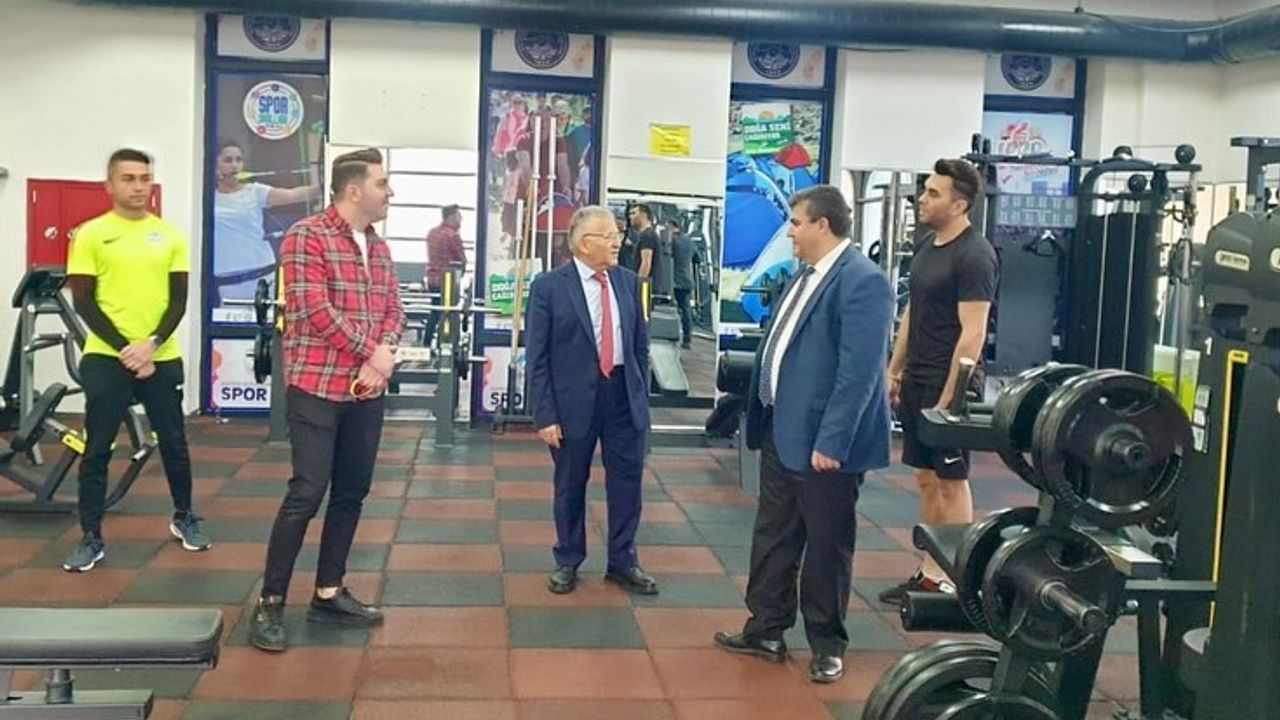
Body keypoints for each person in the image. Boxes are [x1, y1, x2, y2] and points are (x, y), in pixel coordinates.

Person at [713, 185, 894, 684]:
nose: (789, 232)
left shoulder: (864, 282)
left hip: (824, 443)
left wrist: (832, 441)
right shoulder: (804, 275)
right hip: (781, 429)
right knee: (774, 536)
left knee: (827, 546)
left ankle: (827, 645)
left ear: (822, 225)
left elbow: (860, 373)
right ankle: (766, 629)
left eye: (796, 223)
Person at [248, 148, 406, 653]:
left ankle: (328, 592)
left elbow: (394, 309)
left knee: (351, 493)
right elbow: (315, 309)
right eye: (382, 183)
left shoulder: (378, 246)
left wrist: (382, 355)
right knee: (307, 492)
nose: (389, 192)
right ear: (354, 190)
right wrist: (371, 352)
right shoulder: (307, 236)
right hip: (316, 386)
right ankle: (270, 602)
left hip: (366, 389)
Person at [63, 148, 209, 572]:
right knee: (97, 448)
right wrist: (127, 348)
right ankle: (91, 537)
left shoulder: (170, 236)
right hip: (107, 357)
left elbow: (179, 300)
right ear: (110, 185)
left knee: (175, 442)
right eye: (128, 179)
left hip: (160, 356)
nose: (138, 186)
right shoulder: (91, 235)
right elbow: (83, 301)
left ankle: (185, 516)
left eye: (144, 178)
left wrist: (152, 344)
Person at [880, 158, 998, 605]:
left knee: (952, 480)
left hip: (951, 383)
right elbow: (913, 312)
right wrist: (895, 369)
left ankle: (959, 580)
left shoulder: (975, 255)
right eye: (924, 190)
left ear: (959, 205)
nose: (922, 199)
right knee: (926, 478)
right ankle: (931, 572)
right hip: (919, 377)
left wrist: (951, 398)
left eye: (933, 193)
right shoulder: (927, 247)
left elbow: (973, 332)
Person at [526, 205, 658, 597]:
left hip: (622, 395)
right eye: (609, 236)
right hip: (572, 402)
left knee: (627, 482)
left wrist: (639, 393)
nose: (618, 242)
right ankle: (568, 558)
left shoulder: (628, 282)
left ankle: (623, 561)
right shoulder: (549, 287)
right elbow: (537, 357)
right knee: (570, 483)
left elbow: (639, 345)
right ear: (584, 244)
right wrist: (545, 415)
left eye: (618, 235)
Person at [212, 137, 321, 306]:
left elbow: (293, 195)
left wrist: (324, 186)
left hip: (262, 276)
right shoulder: (208, 197)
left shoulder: (255, 191)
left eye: (239, 160)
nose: (234, 166)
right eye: (228, 160)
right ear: (215, 165)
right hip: (225, 281)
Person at [424, 204, 468, 345]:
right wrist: (462, 272)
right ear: (451, 217)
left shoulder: (432, 233)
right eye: (458, 216)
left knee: (435, 312)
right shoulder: (452, 236)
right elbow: (462, 260)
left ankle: (426, 343)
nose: (461, 219)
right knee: (449, 315)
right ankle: (446, 344)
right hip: (448, 282)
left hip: (432, 280)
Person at [668, 218, 699, 349]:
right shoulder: (690, 241)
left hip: (671, 281)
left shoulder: (671, 241)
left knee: (669, 309)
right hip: (687, 280)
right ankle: (687, 339)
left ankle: (671, 337)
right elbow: (697, 259)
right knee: (686, 310)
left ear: (671, 226)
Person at [628, 204, 659, 281]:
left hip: (647, 285)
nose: (630, 217)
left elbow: (646, 264)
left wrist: (638, 284)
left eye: (634, 213)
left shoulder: (647, 235)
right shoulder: (648, 234)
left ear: (643, 215)